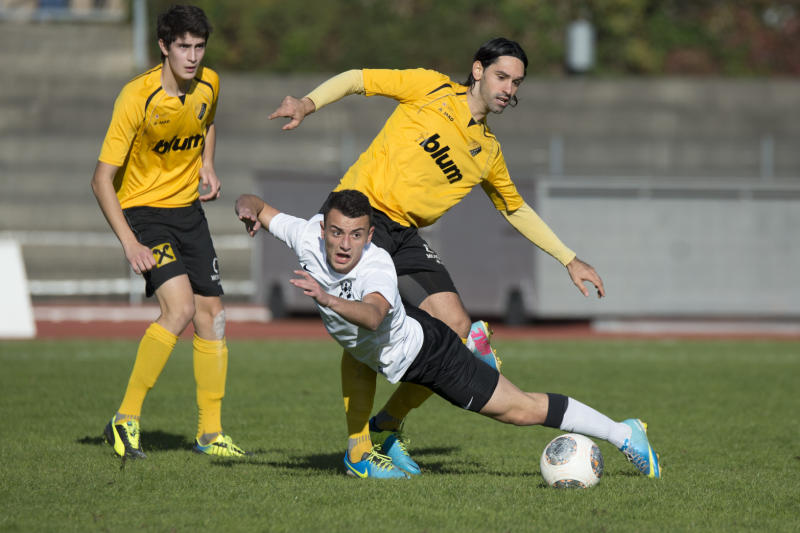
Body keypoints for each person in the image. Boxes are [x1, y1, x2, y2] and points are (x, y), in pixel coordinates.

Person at [268, 37, 605, 474]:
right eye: (502, 76)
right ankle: (358, 450)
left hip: (404, 232)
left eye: (516, 82)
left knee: (457, 327)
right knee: (366, 325)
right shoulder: (430, 87)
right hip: (359, 217)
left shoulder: (487, 151)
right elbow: (357, 79)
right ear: (478, 70)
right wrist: (307, 104)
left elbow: (515, 208)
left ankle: (387, 424)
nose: (508, 89)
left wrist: (568, 258)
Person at [235, 189, 659, 479]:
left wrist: (326, 298)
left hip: (428, 356)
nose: (345, 244)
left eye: (357, 234)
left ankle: (624, 433)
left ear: (369, 235)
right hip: (382, 351)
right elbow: (258, 204)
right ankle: (364, 448)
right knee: (357, 355)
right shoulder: (304, 235)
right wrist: (246, 208)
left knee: (520, 409)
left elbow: (373, 316)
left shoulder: (376, 264)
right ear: (322, 228)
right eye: (337, 232)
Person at [91, 4, 248, 459]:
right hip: (144, 215)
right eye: (183, 47)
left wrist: (208, 164)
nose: (193, 56)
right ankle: (125, 419)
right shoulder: (135, 97)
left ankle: (210, 434)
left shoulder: (210, 83)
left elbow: (207, 121)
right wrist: (130, 242)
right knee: (179, 309)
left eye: (199, 47)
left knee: (213, 315)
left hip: (188, 214)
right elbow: (101, 180)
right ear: (164, 46)